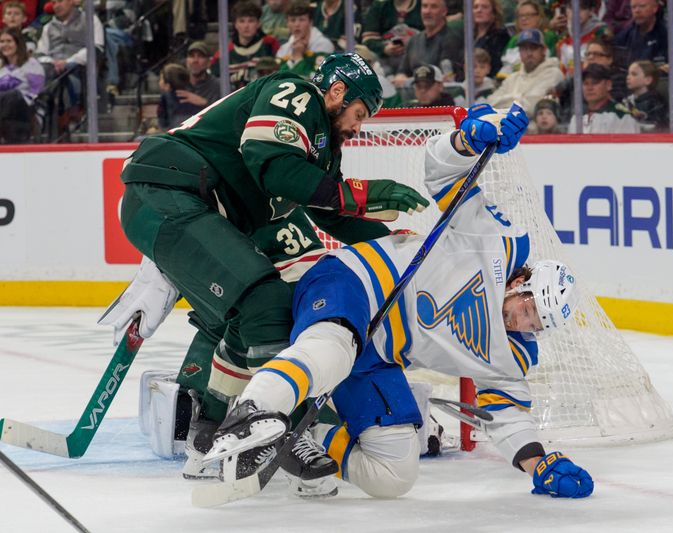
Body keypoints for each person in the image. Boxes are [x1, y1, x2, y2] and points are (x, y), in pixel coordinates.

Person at [203, 102, 594, 501]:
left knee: (393, 475)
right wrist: (467, 139)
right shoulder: (497, 240)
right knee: (333, 350)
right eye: (527, 310)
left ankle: (303, 433)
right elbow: (442, 169)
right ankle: (253, 411)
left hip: (378, 355)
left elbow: (508, 419)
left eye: (535, 326)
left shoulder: (511, 358)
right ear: (520, 282)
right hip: (356, 282)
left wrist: (540, 463)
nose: (523, 323)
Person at [114, 52, 429, 484]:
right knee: (269, 304)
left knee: (242, 320)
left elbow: (327, 211)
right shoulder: (295, 92)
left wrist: (394, 244)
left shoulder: (321, 148)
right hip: (171, 194)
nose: (358, 128)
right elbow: (275, 168)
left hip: (194, 206)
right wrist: (363, 192)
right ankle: (284, 435)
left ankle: (206, 437)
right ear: (337, 92)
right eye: (358, 114)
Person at [34, 0, 104, 108]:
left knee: (65, 75)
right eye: (54, 3)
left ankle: (64, 112)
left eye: (60, 1)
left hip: (77, 68)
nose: (56, 6)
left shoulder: (90, 20)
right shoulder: (48, 27)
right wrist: (53, 63)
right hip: (52, 68)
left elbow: (96, 48)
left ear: (72, 1)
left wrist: (69, 61)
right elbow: (40, 53)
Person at [487, 28, 563, 121]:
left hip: (537, 132)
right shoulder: (513, 78)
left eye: (533, 48)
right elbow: (490, 103)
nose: (529, 53)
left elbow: (531, 108)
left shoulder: (553, 74)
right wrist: (518, 98)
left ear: (543, 50)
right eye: (524, 49)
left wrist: (506, 100)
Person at [211, 1, 280, 90]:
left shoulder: (270, 44)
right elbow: (215, 80)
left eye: (251, 21)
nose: (246, 26)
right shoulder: (224, 52)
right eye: (242, 21)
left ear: (258, 23)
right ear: (235, 24)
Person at [392, 0, 464, 86]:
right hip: (412, 93)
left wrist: (407, 81)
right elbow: (402, 72)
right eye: (424, 6)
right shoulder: (414, 40)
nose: (427, 11)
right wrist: (401, 78)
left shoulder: (452, 39)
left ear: (444, 11)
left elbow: (443, 78)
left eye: (433, 7)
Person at [568, 63, 641, 133]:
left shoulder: (622, 116)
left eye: (595, 82)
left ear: (608, 85)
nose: (589, 88)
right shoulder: (576, 117)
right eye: (585, 83)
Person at [0, 27, 44, 142]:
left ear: (18, 43)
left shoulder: (31, 64)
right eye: (2, 41)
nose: (5, 45)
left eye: (9, 41)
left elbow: (37, 92)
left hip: (27, 109)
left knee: (13, 95)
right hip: (5, 112)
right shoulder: (0, 66)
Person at [361, 0, 424, 75]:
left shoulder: (424, 5)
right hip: (385, 60)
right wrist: (384, 48)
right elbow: (368, 39)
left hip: (418, 59)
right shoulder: (380, 5)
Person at [275, 0, 334, 78]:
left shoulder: (324, 46)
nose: (297, 24)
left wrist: (298, 57)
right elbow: (277, 78)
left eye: (302, 19)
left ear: (310, 22)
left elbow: (317, 80)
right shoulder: (283, 50)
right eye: (292, 20)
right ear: (287, 24)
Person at [498, 0, 552, 78]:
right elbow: (505, 64)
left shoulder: (548, 36)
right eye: (520, 15)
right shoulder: (514, 39)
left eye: (529, 15)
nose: (524, 19)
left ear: (539, 16)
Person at [554, 0, 608, 76]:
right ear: (566, 10)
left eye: (582, 8)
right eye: (571, 8)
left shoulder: (601, 34)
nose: (576, 12)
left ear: (591, 11)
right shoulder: (562, 39)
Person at [613, 0, 668, 70]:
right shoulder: (624, 37)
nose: (637, 11)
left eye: (642, 6)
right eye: (633, 7)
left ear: (655, 8)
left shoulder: (667, 35)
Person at [619, 60, 667, 131]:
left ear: (648, 80)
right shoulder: (627, 100)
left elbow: (655, 126)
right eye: (628, 74)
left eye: (634, 74)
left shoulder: (655, 103)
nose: (628, 77)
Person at [156, 63, 202, 131]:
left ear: (167, 85)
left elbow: (162, 120)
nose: (159, 81)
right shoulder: (193, 94)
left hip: (173, 133)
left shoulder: (165, 97)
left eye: (161, 79)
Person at [472, 0, 510, 77]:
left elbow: (496, 66)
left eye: (484, 7)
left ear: (494, 13)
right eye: (475, 7)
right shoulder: (467, 36)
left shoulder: (500, 36)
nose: (479, 10)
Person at [180, 41, 221, 109]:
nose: (195, 60)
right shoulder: (179, 84)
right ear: (186, 61)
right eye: (191, 56)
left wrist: (205, 103)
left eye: (200, 56)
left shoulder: (218, 86)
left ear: (209, 62)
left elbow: (223, 113)